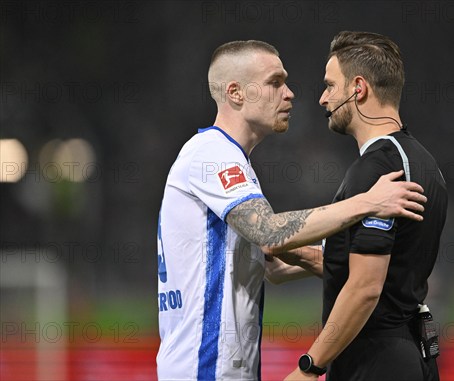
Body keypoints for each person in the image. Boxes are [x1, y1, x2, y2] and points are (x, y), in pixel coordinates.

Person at [155, 40, 428, 381]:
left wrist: (361, 259)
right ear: (236, 93)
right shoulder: (212, 155)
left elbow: (274, 265)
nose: (290, 94)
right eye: (274, 82)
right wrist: (368, 203)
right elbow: (269, 232)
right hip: (203, 368)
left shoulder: (232, 162)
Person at [282, 31, 448, 381]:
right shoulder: (424, 161)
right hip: (411, 353)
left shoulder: (376, 169)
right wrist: (304, 256)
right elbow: (386, 270)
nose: (323, 98)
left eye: (330, 85)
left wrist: (310, 367)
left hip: (375, 359)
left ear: (358, 88)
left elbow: (366, 288)